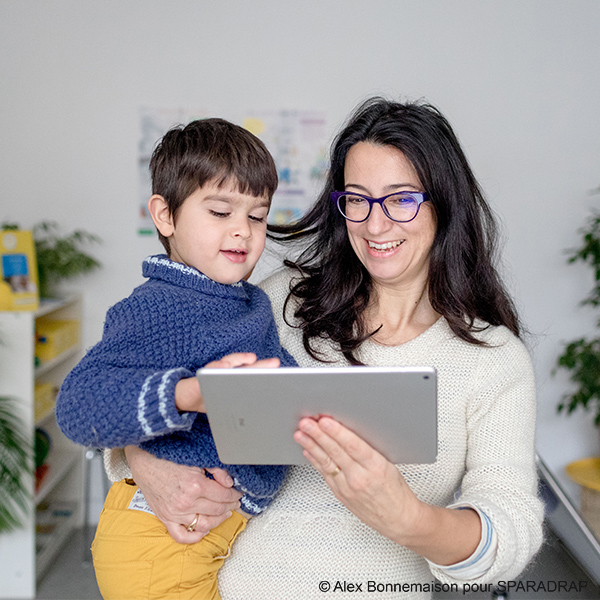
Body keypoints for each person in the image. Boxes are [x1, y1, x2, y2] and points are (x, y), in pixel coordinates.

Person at [105, 97, 544, 599]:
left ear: (444, 204)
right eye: (357, 199)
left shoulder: (493, 361)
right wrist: (143, 459)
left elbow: (513, 528)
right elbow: (153, 388)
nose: (375, 225)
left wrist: (409, 519)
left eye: (400, 199)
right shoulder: (278, 304)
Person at [55, 118, 297, 600]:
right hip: (156, 543)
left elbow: (279, 387)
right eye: (220, 211)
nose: (242, 232)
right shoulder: (157, 306)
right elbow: (78, 404)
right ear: (165, 216)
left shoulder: (249, 303)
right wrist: (188, 393)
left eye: (257, 216)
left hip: (211, 536)